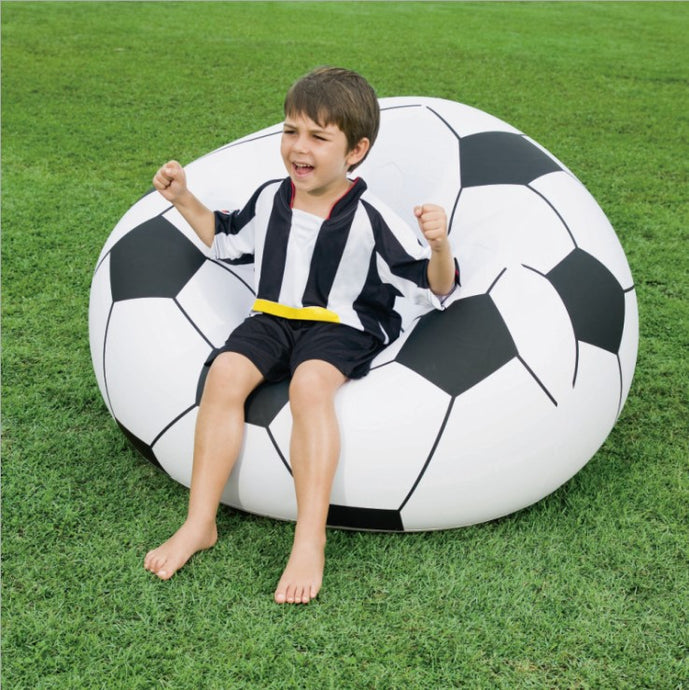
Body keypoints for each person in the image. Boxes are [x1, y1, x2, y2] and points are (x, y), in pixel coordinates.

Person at [144, 67, 458, 604]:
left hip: (343, 323)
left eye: (318, 136)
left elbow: (434, 289)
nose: (299, 147)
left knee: (309, 386)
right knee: (223, 374)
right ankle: (200, 522)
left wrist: (439, 246)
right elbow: (224, 238)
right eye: (291, 131)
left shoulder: (371, 215)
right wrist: (183, 199)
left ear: (355, 150)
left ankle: (308, 538)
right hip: (273, 316)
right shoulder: (272, 198)